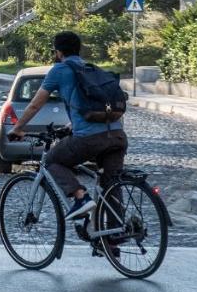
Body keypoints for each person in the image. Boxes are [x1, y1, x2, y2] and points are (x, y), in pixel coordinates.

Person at [11, 30, 127, 223]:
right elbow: (90, 105)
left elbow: (35, 104)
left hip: (89, 138)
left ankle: (80, 197)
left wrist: (18, 127)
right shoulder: (91, 69)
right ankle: (114, 238)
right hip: (117, 135)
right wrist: (72, 124)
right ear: (78, 49)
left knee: (51, 160)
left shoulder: (59, 70)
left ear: (58, 52)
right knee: (111, 184)